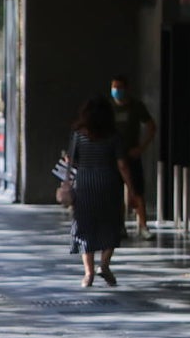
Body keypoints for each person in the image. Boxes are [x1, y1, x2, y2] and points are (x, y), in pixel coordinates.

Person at [66, 96, 134, 287]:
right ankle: (104, 265)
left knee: (85, 227)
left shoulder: (78, 134)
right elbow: (122, 165)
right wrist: (131, 188)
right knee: (111, 224)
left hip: (85, 183)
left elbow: (71, 161)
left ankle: (88, 273)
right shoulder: (114, 136)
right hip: (109, 183)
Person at [110, 74, 157, 240]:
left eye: (119, 88)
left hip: (131, 154)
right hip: (113, 156)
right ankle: (119, 226)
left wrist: (141, 147)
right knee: (115, 192)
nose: (116, 91)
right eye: (114, 88)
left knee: (137, 190)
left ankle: (143, 225)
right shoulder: (108, 107)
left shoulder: (136, 106)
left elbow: (152, 126)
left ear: (126, 88)